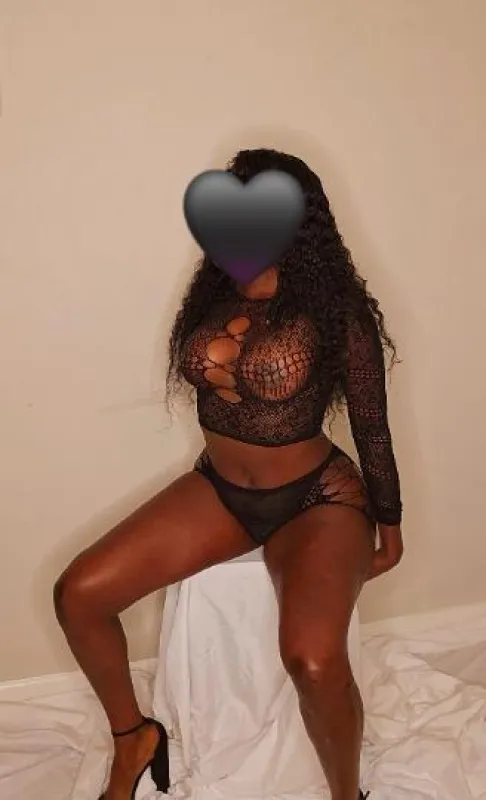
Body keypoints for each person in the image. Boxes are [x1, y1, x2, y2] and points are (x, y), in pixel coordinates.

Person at [54, 148, 403, 800]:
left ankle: (348, 796)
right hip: (220, 490)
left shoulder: (336, 313)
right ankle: (135, 739)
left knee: (313, 660)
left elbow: (372, 427)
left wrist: (390, 526)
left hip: (317, 499)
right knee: (79, 594)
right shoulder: (212, 297)